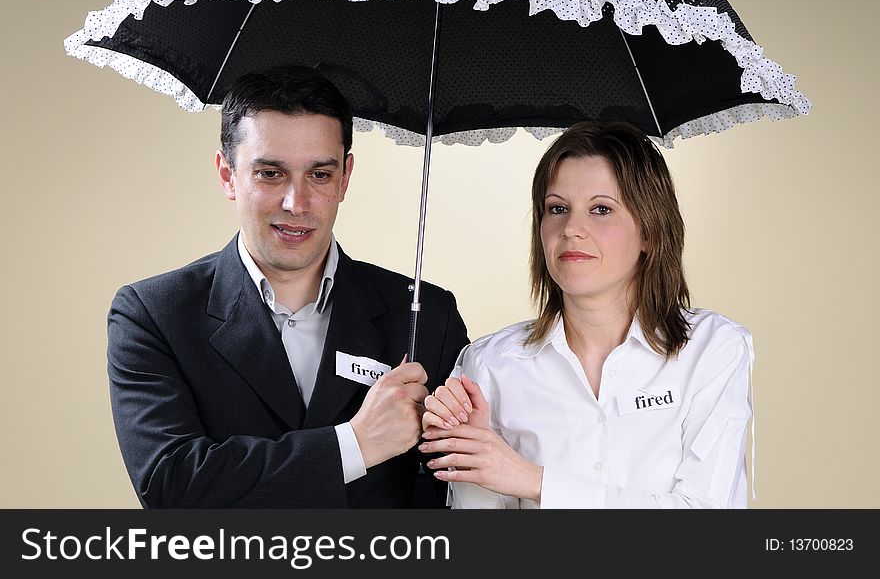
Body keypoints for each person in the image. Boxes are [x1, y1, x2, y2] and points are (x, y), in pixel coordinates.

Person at [107, 65, 468, 508]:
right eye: (270, 173)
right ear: (227, 175)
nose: (297, 204)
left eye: (319, 175)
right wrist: (356, 444)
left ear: (345, 178)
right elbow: (173, 487)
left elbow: (457, 494)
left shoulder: (428, 315)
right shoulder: (153, 315)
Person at [419, 121, 754, 508]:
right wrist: (470, 462)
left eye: (600, 209)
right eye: (557, 208)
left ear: (649, 230)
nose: (572, 229)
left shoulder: (713, 349)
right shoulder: (490, 363)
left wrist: (532, 480)